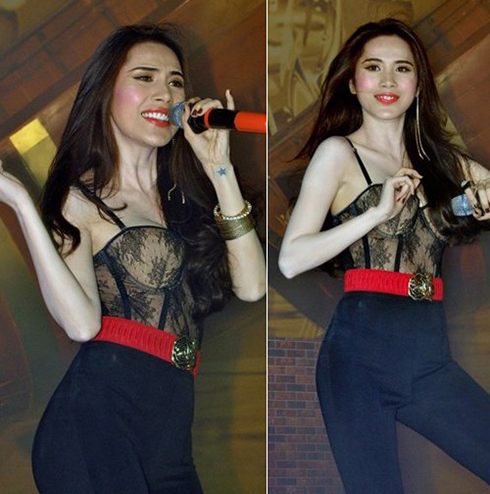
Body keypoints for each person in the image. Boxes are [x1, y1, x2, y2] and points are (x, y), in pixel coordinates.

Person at [0, 24, 265, 493]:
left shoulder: (185, 196)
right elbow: (82, 325)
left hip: (168, 435)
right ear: (106, 93)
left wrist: (219, 168)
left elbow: (252, 286)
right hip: (96, 426)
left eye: (175, 81)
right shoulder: (81, 200)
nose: (165, 92)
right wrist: (22, 203)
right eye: (145, 77)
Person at [279, 18, 490, 493]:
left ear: (419, 85)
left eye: (403, 68)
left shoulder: (442, 160)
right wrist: (375, 214)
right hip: (358, 358)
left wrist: (482, 200)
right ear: (353, 83)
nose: (388, 80)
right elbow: (291, 259)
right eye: (374, 67)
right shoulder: (338, 153)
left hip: (428, 353)